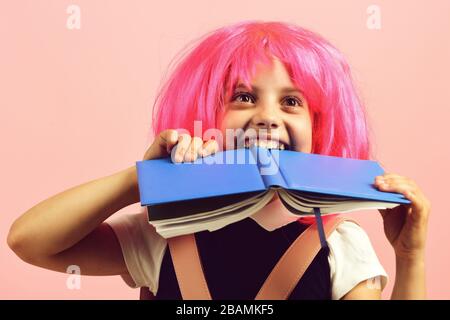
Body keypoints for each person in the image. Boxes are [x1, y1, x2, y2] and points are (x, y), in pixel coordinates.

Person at [7, 20, 430, 300]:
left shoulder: (339, 242)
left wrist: (410, 257)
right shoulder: (165, 231)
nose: (266, 116)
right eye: (244, 98)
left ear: (321, 128)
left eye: (291, 102)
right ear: (208, 114)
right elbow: (30, 241)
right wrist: (144, 180)